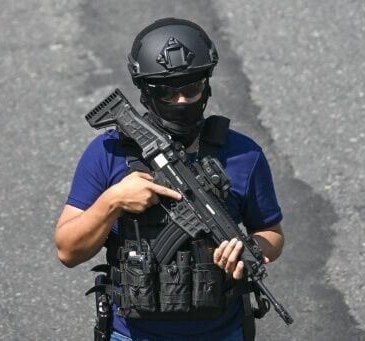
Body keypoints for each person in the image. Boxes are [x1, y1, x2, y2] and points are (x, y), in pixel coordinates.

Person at [54, 17, 284, 341]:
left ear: (207, 84)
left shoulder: (243, 154)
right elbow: (68, 251)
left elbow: (271, 233)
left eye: (191, 89)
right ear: (145, 92)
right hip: (131, 334)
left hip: (222, 332)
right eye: (166, 92)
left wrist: (251, 251)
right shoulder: (108, 153)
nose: (180, 101)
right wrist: (113, 201)